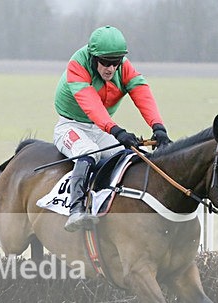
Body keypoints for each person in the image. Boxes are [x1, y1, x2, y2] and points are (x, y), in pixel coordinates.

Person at [53, 25, 172, 232]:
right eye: (105, 63)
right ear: (93, 57)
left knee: (131, 155)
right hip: (71, 126)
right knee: (87, 153)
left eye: (116, 63)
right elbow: (92, 106)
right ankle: (76, 210)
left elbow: (141, 93)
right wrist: (117, 131)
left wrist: (158, 127)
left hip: (101, 129)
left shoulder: (123, 67)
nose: (111, 68)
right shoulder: (77, 65)